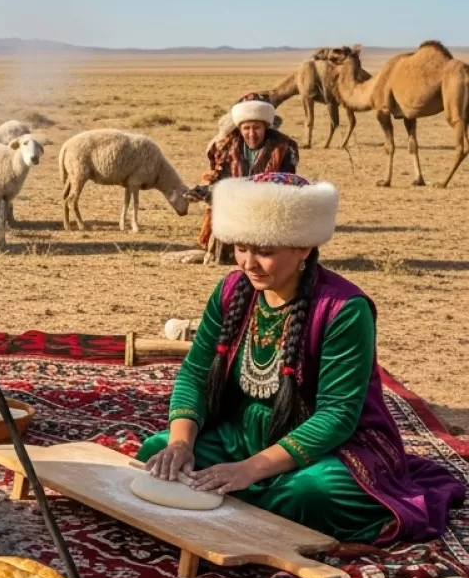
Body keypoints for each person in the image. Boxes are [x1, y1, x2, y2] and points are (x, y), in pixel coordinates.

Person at [140, 172, 463, 542]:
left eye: (265, 251)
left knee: (312, 493)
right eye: (241, 247)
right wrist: (181, 444)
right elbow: (196, 373)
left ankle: (256, 496)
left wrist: (250, 470)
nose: (248, 263)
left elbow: (337, 415)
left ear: (304, 247)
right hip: (246, 432)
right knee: (158, 453)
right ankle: (252, 499)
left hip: (333, 446)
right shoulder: (231, 291)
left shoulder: (343, 309)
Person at [191, 94, 299, 260]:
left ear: (266, 127)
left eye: (256, 128)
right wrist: (204, 190)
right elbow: (219, 178)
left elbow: (286, 182)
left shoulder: (284, 147)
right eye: (246, 128)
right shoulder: (225, 146)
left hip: (268, 207)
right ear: (239, 128)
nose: (251, 134)